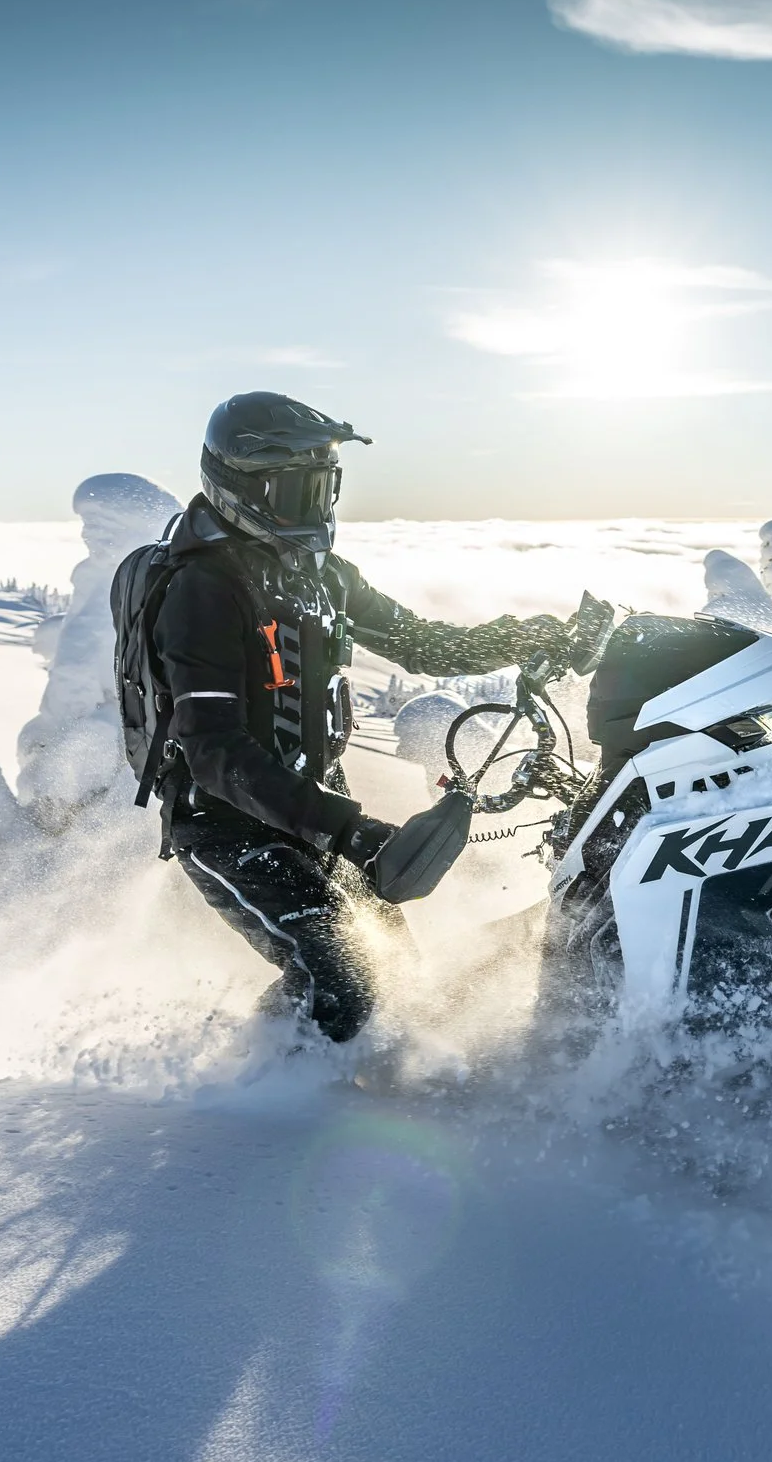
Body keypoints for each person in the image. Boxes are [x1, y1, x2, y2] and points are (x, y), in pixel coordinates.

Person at [142, 391, 595, 1044]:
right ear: (243, 487)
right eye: (298, 490)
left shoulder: (320, 574)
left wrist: (529, 637)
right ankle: (247, 1087)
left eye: (324, 488)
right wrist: (350, 831)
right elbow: (214, 751)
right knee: (343, 979)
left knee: (395, 972)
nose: (316, 507)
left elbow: (422, 643)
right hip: (227, 827)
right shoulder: (203, 590)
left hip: (315, 812)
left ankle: (359, 1082)